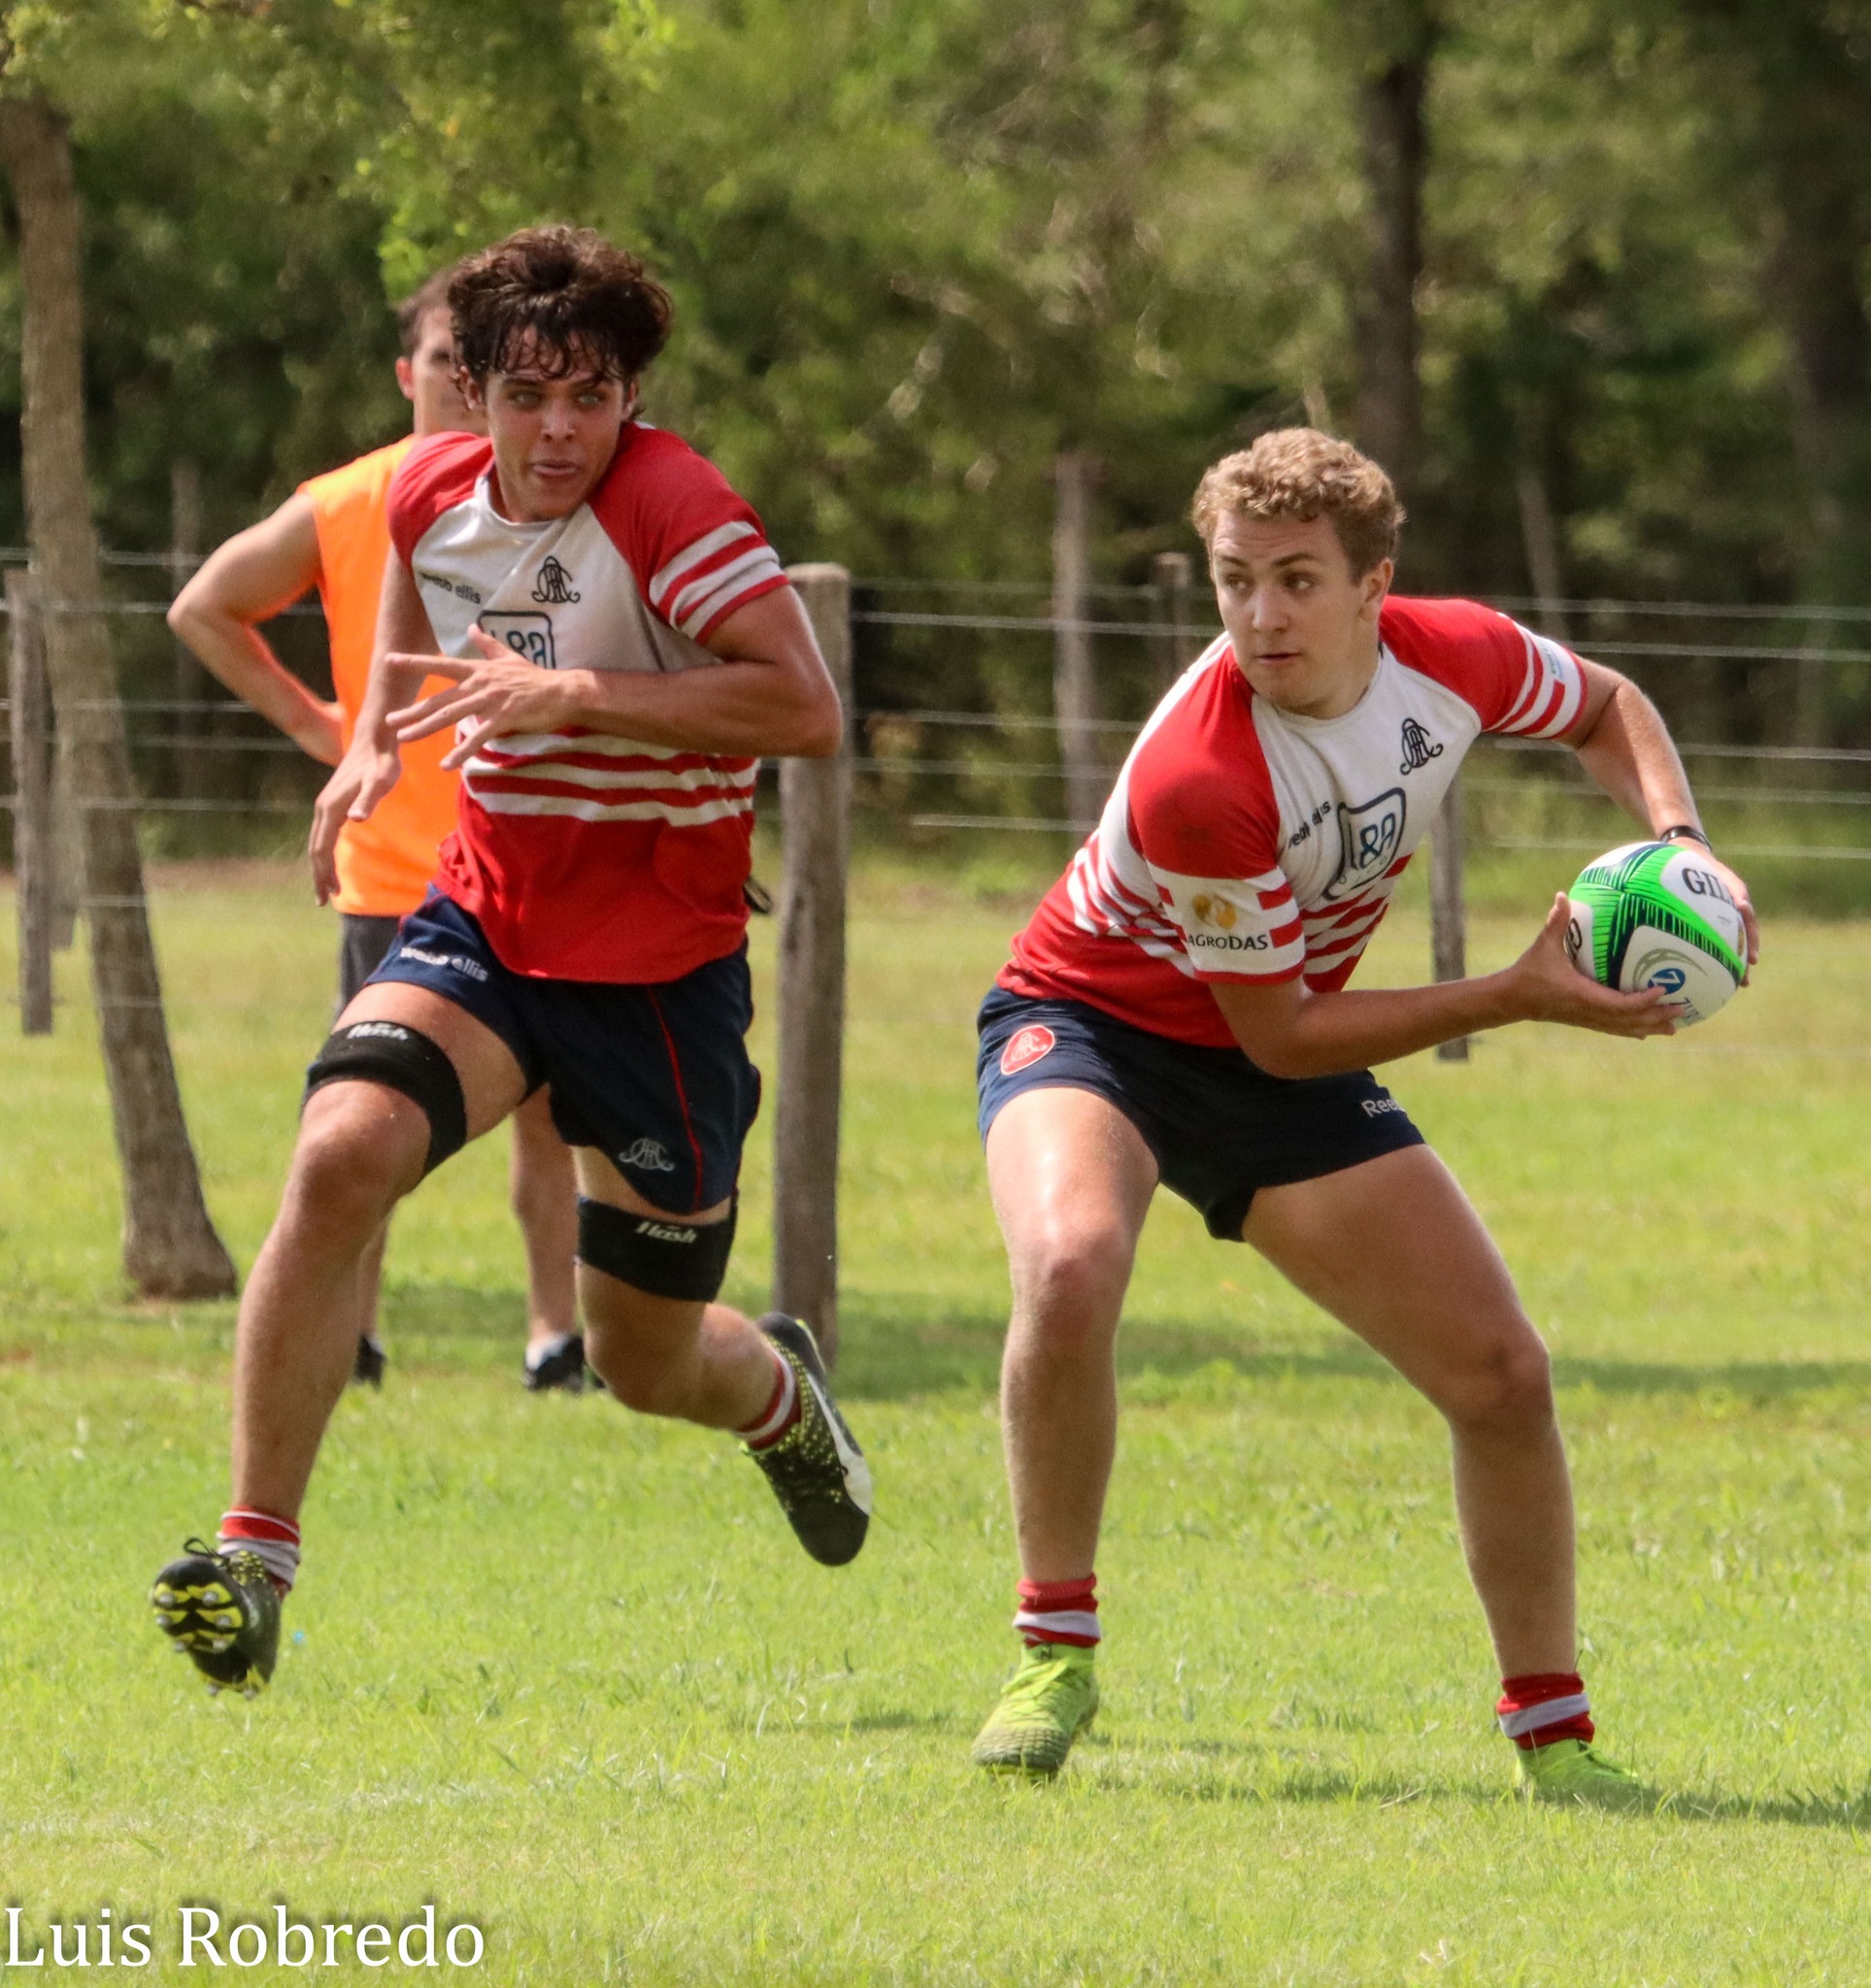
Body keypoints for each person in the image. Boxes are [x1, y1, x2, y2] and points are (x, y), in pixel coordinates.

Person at [966, 428, 1758, 1802]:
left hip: (1269, 1044)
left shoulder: (1448, 655)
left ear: (1370, 584)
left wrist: (1675, 837)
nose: (1259, 617)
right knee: (1070, 1260)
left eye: (1293, 581)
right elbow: (1277, 1036)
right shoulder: (1199, 773)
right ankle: (1054, 1647)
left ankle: (1553, 1737)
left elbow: (1603, 704)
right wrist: (1513, 994)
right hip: (1097, 1027)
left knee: (1499, 1376)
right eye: (1232, 583)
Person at [150, 225, 871, 1696]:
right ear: (465, 391)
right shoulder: (425, 484)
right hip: (486, 915)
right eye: (527, 396)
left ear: (630, 400)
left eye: (590, 398)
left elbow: (803, 713)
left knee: (643, 1363)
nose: (558, 432)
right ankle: (253, 1559)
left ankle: (782, 1399)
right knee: (342, 1148)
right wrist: (367, 740)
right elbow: (418, 583)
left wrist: (575, 696)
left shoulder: (676, 508)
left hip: (658, 968)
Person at [168, 269, 587, 1393]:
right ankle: (348, 1336)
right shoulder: (352, 500)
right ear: (410, 375)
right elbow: (203, 605)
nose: (462, 381)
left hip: (539, 864)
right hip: (396, 870)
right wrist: (319, 725)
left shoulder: (560, 500)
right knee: (368, 1119)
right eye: (448, 361)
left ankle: (559, 1339)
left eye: (483, 363)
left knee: (553, 1122)